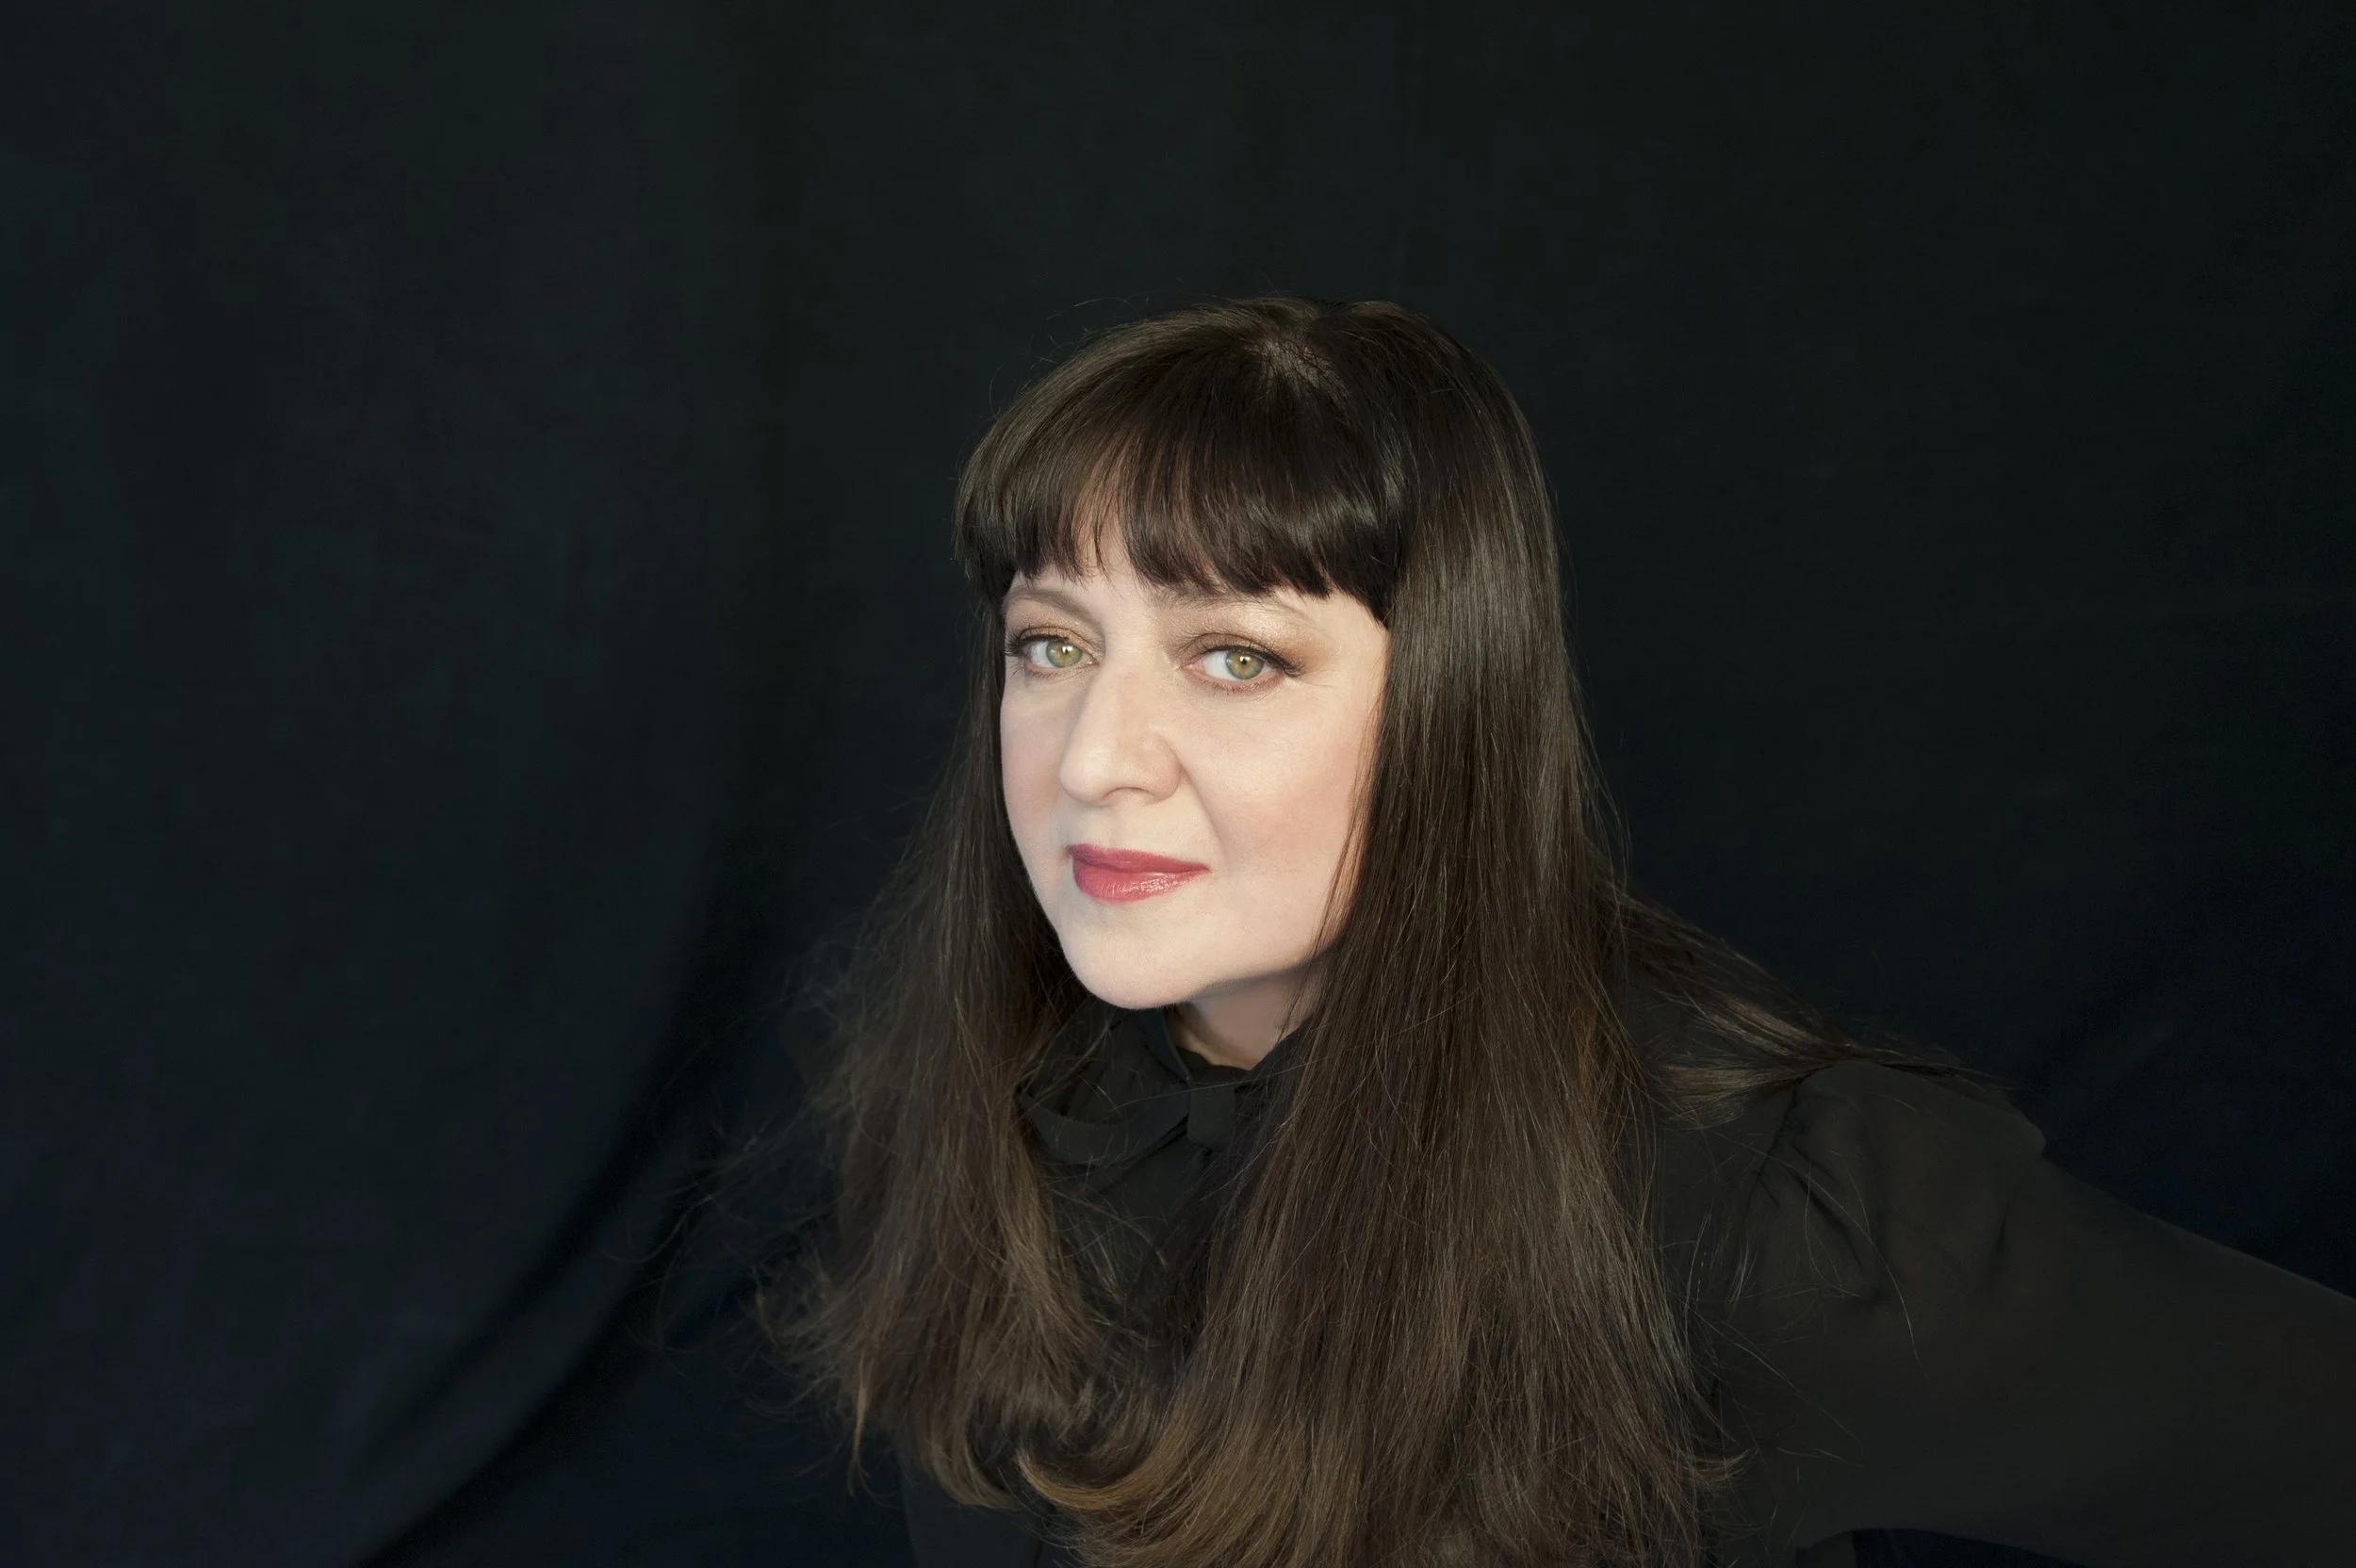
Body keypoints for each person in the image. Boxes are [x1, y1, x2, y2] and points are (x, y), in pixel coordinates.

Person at [766, 296, 2356, 1567]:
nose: (1095, 755)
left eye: (1235, 657)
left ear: (1451, 711)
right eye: (1051, 644)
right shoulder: (985, 1084)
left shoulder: (1772, 1215)